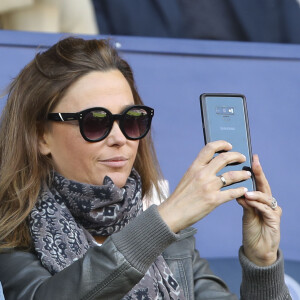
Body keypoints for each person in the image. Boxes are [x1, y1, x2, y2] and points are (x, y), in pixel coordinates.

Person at [0, 36, 291, 300]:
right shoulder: (14, 232)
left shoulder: (170, 233)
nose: (120, 139)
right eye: (95, 121)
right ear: (41, 136)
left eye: (131, 120)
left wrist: (262, 265)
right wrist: (164, 220)